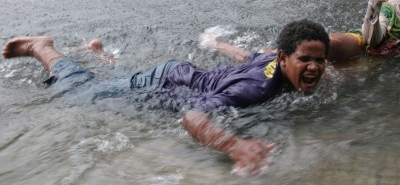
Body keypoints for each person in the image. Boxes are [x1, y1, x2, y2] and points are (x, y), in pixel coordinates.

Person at [2, 19, 330, 175]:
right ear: (285, 58)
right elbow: (192, 117)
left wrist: (216, 45)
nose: (314, 67)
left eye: (320, 60)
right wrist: (233, 145)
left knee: (120, 81)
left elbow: (248, 56)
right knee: (78, 92)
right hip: (162, 85)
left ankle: (100, 54)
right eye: (306, 60)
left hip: (178, 73)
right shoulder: (255, 89)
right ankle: (41, 47)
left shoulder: (272, 58)